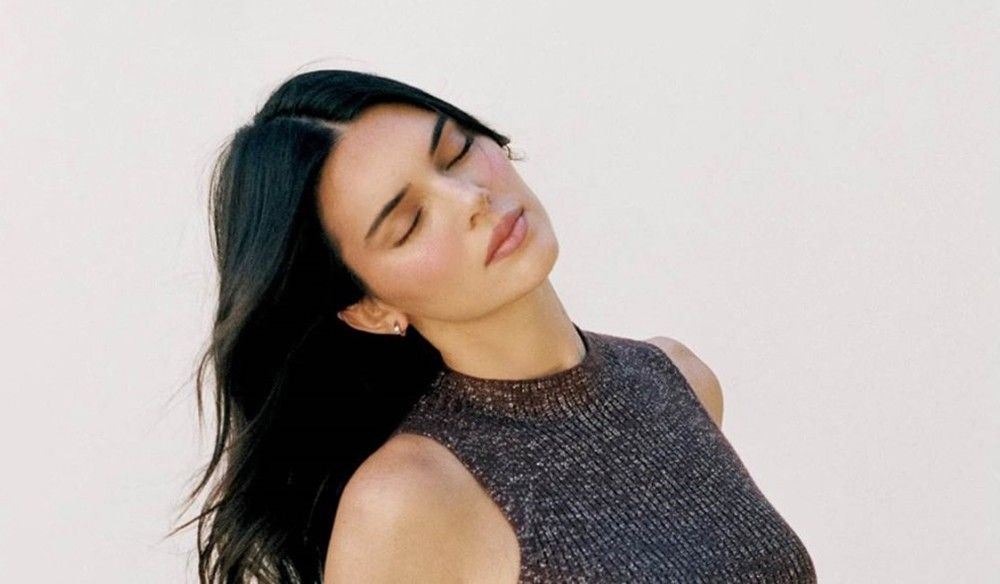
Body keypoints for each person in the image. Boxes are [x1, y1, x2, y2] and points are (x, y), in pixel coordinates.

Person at [170, 69, 816, 583]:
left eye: (455, 153)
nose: (471, 200)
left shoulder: (676, 378)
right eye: (409, 223)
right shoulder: (408, 498)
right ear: (370, 308)